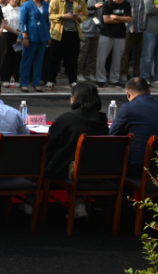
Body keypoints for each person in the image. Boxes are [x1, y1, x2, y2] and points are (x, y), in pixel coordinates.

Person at [44, 82, 108, 219]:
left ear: (74, 98)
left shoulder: (66, 119)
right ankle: (79, 203)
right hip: (96, 170)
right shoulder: (103, 120)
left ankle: (30, 203)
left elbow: (48, 144)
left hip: (66, 170)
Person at [110, 78, 158, 176]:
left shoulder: (128, 108)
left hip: (138, 166)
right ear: (149, 91)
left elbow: (114, 135)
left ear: (128, 93)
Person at [47, 0, 86, 91]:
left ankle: (73, 81)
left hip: (74, 33)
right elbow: (50, 15)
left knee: (72, 59)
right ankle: (51, 81)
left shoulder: (80, 1)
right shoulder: (56, 0)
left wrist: (78, 17)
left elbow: (84, 14)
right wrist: (63, 16)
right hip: (59, 33)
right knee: (55, 59)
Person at [98, 0, 132, 87]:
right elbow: (106, 20)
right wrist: (122, 19)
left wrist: (116, 17)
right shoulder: (107, 4)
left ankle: (114, 79)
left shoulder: (126, 4)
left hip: (120, 35)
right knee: (102, 58)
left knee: (117, 59)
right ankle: (101, 79)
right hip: (106, 34)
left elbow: (129, 18)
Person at [20, 0, 51, 92]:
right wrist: (25, 36)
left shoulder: (46, 4)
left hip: (43, 36)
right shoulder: (26, 5)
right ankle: (24, 82)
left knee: (39, 60)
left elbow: (47, 21)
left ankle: (36, 82)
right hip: (30, 36)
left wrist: (48, 36)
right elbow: (23, 22)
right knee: (27, 60)